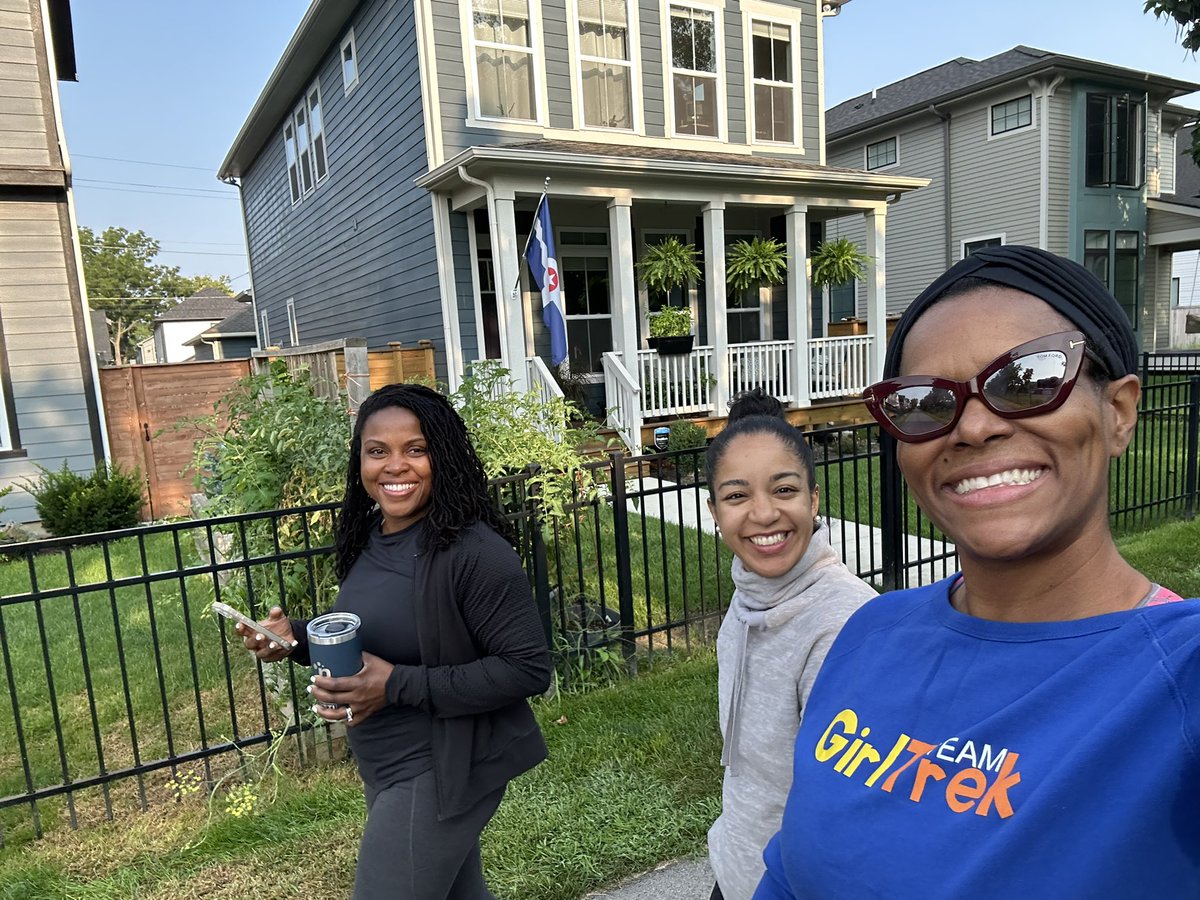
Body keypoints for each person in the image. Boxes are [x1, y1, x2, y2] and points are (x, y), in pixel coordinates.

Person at [754, 246, 1200, 898]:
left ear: (1119, 412)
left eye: (1028, 378)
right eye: (927, 402)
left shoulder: (1180, 679)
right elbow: (790, 876)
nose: (974, 427)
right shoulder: (870, 632)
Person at [236, 383, 552, 900]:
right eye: (377, 451)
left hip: (440, 766)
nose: (395, 466)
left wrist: (396, 686)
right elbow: (378, 645)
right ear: (360, 461)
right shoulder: (374, 536)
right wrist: (295, 642)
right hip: (385, 762)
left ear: (442, 457)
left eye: (416, 449)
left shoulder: (475, 552)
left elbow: (528, 669)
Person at [705, 388, 876, 900]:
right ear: (713, 511)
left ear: (813, 499)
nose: (763, 514)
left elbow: (852, 806)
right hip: (734, 866)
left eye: (783, 490)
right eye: (737, 496)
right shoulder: (748, 596)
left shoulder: (848, 624)